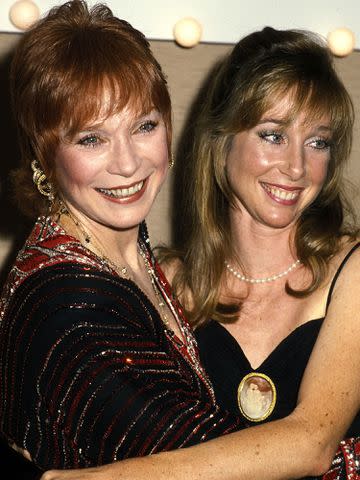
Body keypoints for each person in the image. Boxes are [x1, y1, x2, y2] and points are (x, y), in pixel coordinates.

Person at [0, 2, 358, 478]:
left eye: (144, 126)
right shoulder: (72, 303)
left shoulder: (144, 270)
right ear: (44, 153)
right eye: (91, 139)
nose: (128, 164)